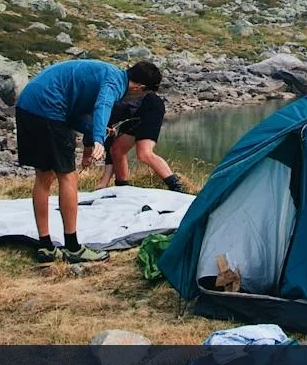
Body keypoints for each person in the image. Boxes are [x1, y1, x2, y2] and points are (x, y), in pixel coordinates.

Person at [12, 58, 163, 264]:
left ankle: (46, 247)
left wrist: (91, 130)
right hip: (48, 107)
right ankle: (73, 248)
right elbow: (103, 105)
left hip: (27, 105)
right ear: (139, 86)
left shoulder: (107, 72)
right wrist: (99, 139)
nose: (137, 98)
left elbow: (71, 114)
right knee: (68, 177)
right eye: (143, 94)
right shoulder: (115, 82)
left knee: (44, 175)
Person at [95, 66, 186, 193]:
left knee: (144, 153)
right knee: (116, 150)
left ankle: (177, 187)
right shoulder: (102, 109)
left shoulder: (103, 106)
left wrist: (103, 182)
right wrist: (103, 183)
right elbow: (109, 144)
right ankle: (122, 187)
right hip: (133, 113)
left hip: (150, 106)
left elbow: (104, 135)